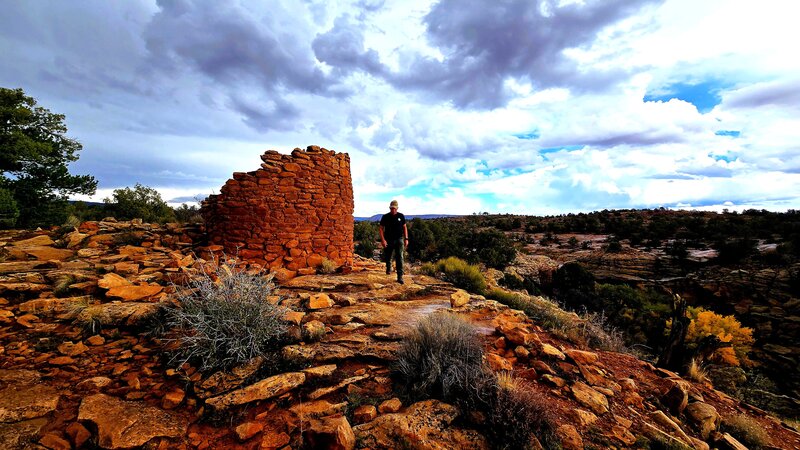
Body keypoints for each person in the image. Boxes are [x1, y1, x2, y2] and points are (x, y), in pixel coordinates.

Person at [379, 199, 408, 284]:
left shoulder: (401, 216)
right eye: (391, 208)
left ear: (397, 208)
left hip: (399, 239)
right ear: (389, 208)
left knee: (400, 257)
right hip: (389, 240)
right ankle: (388, 267)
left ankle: (400, 276)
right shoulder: (385, 217)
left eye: (394, 208)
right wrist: (383, 240)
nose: (393, 210)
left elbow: (405, 227)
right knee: (388, 256)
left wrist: (406, 238)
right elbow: (381, 228)